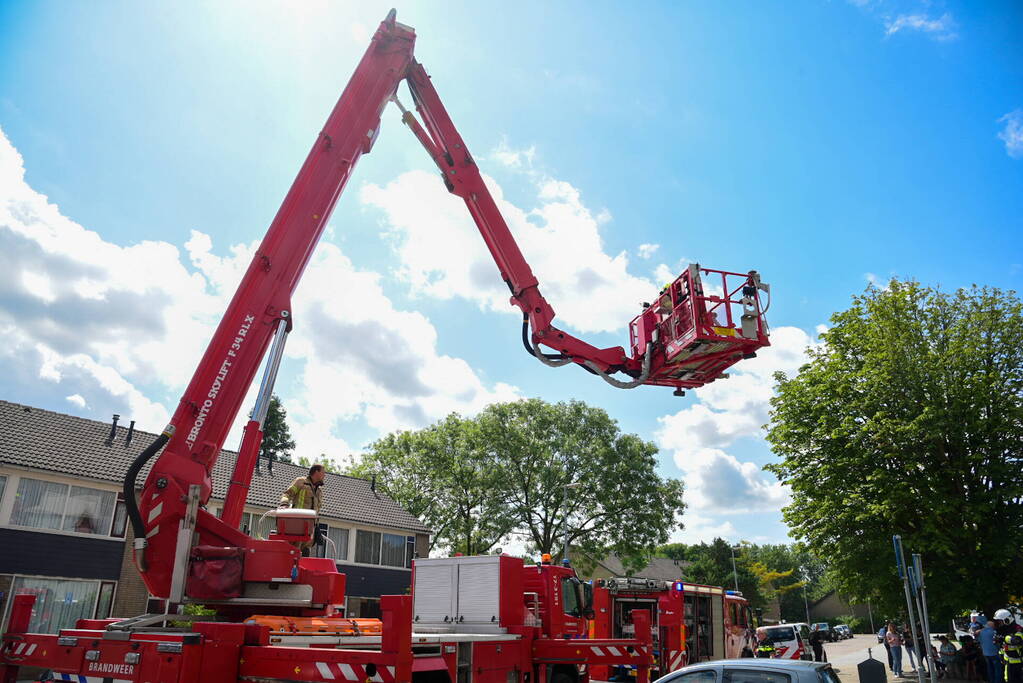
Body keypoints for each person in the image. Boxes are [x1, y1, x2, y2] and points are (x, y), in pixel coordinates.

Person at [278, 463, 326, 555]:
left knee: (305, 554)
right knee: (292, 554)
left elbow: (317, 511)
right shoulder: (301, 482)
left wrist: (316, 527)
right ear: (316, 472)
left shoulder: (319, 491)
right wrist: (284, 504)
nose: (325, 475)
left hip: (310, 530)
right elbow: (287, 494)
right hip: (296, 526)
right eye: (323, 472)